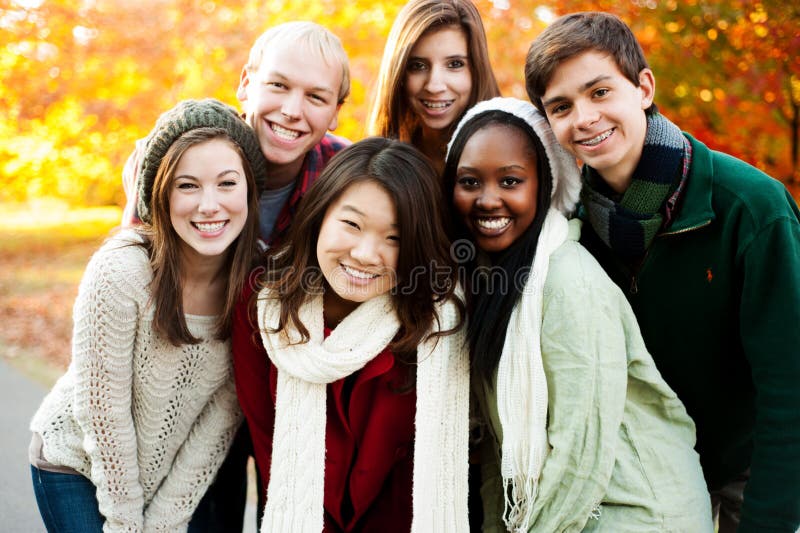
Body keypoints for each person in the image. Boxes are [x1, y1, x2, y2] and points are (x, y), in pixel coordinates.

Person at [524, 12, 800, 532]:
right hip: (651, 476)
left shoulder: (751, 208)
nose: (584, 117)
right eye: (561, 107)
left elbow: (790, 383)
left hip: (752, 467)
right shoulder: (574, 231)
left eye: (600, 92)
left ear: (643, 87)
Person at [443, 97, 713, 531]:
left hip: (638, 513)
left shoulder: (568, 282)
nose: (487, 200)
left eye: (511, 181)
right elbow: (502, 448)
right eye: (469, 181)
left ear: (545, 185)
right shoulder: (489, 283)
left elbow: (580, 454)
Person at [29, 98, 266, 532]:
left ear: (250, 188)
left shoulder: (257, 287)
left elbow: (217, 424)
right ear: (161, 193)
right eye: (187, 185)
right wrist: (124, 524)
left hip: (165, 480)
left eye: (227, 183)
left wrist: (163, 524)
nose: (209, 205)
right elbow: (103, 413)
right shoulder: (121, 271)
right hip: (76, 462)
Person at [235, 137, 470, 532]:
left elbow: (410, 479)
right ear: (320, 214)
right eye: (351, 224)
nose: (365, 254)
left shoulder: (434, 323)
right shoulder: (263, 307)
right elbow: (270, 448)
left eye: (393, 238)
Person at [366, 0, 500, 174]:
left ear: (477, 69)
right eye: (417, 66)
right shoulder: (377, 165)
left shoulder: (514, 151)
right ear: (398, 74)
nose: (434, 86)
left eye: (455, 64)